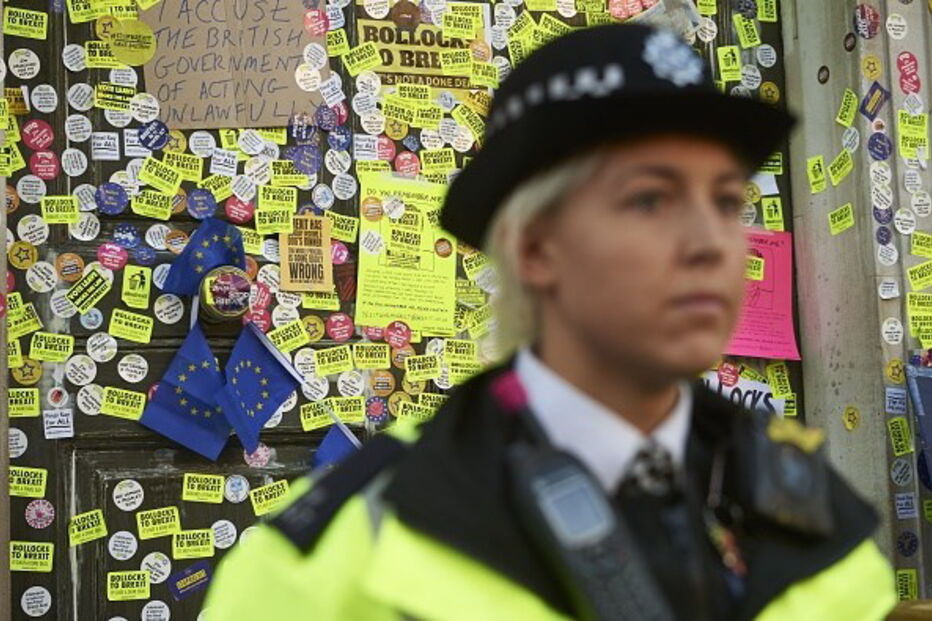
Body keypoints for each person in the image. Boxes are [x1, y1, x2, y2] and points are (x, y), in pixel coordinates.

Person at [206, 24, 896, 620]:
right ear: (536, 248)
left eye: (724, 200)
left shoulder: (812, 517)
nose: (714, 243)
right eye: (651, 199)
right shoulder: (333, 564)